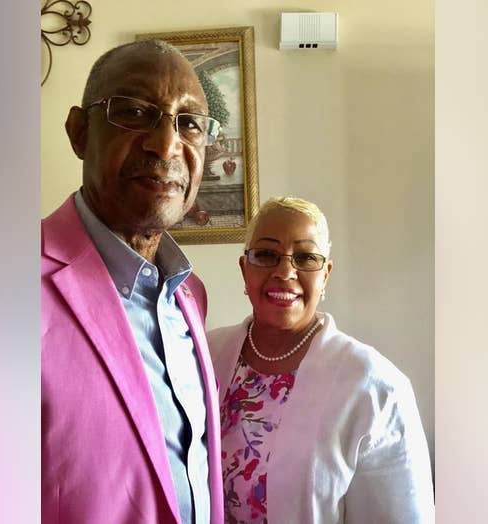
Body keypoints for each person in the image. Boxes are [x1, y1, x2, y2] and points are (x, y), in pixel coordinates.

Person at [41, 40, 225, 524]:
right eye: (136, 112)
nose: (166, 144)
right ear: (79, 132)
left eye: (188, 123)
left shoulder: (189, 295)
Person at [208, 197, 435, 523]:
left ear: (325, 274)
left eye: (306, 257)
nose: (285, 271)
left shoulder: (374, 386)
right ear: (245, 269)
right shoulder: (204, 354)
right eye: (266, 255)